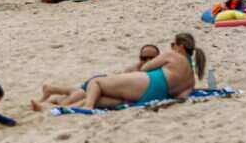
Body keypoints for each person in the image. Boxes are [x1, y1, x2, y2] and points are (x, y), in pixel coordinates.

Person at [75, 33, 206, 109]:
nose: (171, 48)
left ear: (181, 47)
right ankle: (79, 105)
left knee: (96, 82)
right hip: (154, 96)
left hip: (149, 82)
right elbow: (181, 97)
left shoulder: (173, 56)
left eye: (173, 45)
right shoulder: (191, 79)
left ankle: (88, 109)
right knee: (102, 98)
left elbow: (145, 68)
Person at [31, 45, 161, 111]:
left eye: (151, 58)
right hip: (100, 83)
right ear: (139, 58)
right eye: (144, 58)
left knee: (77, 93)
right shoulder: (133, 70)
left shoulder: (159, 72)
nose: (148, 60)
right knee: (80, 93)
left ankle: (52, 93)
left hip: (102, 83)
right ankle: (51, 105)